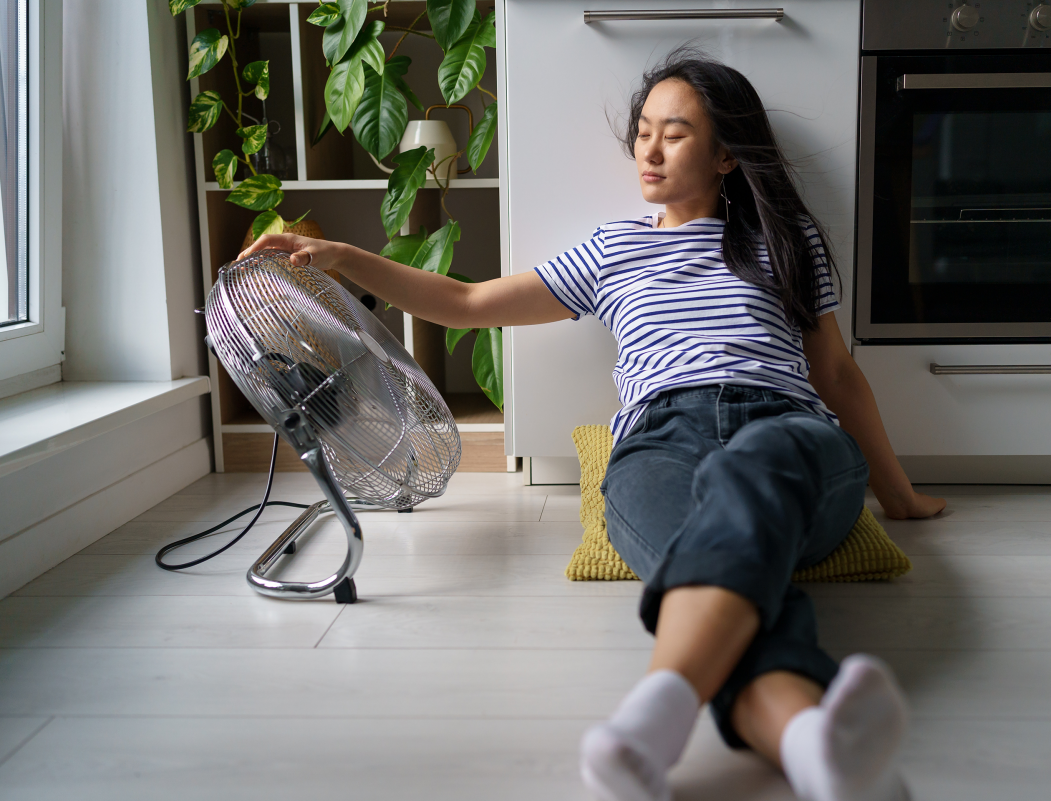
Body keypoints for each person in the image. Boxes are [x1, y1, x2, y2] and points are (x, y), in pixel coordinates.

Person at [242, 46, 945, 801]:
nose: (648, 147)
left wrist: (897, 494)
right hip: (659, 438)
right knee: (710, 556)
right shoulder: (615, 246)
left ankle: (652, 720)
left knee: (748, 478)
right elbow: (473, 303)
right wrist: (347, 257)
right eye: (644, 129)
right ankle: (812, 747)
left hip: (784, 429)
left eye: (674, 133)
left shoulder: (787, 239)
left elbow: (835, 374)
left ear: (727, 156)